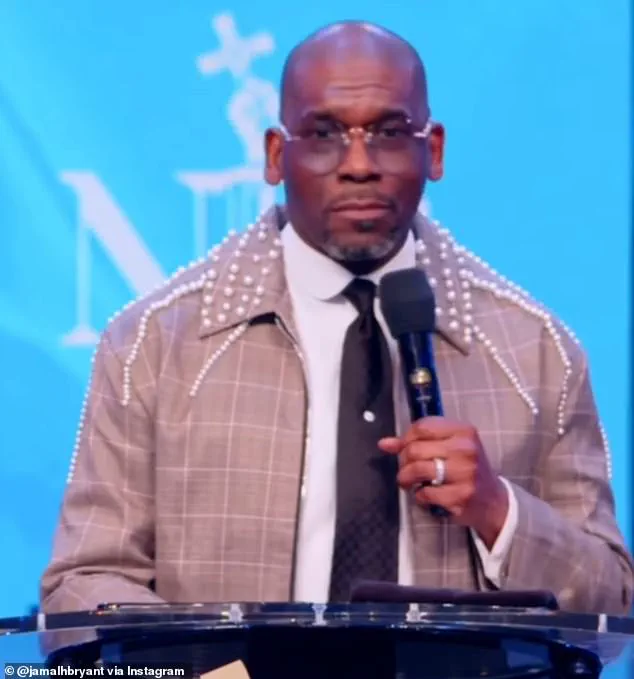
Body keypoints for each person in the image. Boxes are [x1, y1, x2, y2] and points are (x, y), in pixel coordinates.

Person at [40, 20, 633, 616]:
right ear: (276, 155)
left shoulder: (535, 352)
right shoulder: (155, 344)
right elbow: (85, 582)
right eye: (324, 133)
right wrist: (200, 660)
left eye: (390, 132)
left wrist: (498, 511)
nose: (358, 164)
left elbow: (613, 601)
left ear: (434, 150)